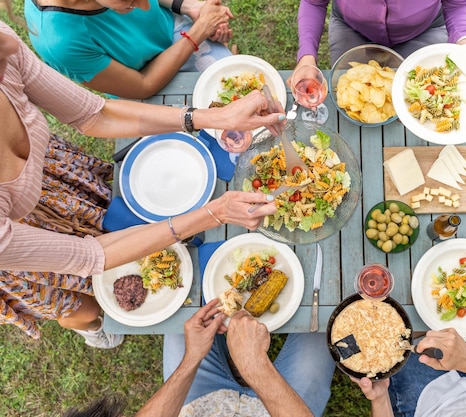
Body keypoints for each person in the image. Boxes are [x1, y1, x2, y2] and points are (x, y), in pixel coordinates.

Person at [0, 18, 283, 348]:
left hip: (55, 180)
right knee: (79, 302)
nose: (10, 43)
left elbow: (95, 114)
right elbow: (90, 256)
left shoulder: (4, 46)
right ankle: (93, 330)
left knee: (105, 213)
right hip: (14, 246)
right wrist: (215, 213)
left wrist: (213, 118)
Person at [62, 300, 336, 417]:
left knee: (184, 320)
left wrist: (191, 360)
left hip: (201, 405)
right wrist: (255, 368)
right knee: (327, 325)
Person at [24, 0, 234, 99]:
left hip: (173, 32)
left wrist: (187, 7)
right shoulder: (60, 43)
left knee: (234, 78)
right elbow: (143, 85)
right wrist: (199, 31)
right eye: (130, 1)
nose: (146, 6)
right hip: (147, 85)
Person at [294, 0, 466, 78]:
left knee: (423, 105)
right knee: (347, 96)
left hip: (424, 30)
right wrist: (307, 57)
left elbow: (457, 4)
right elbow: (314, 3)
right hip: (352, 29)